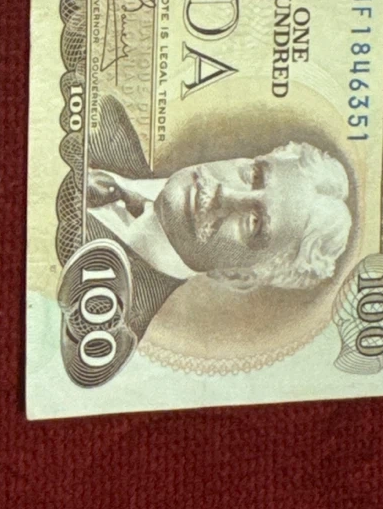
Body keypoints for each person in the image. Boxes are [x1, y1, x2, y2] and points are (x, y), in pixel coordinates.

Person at [77, 96, 353, 346]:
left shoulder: (106, 325)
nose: (225, 193)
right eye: (253, 175)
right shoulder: (106, 119)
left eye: (254, 222)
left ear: (239, 274)